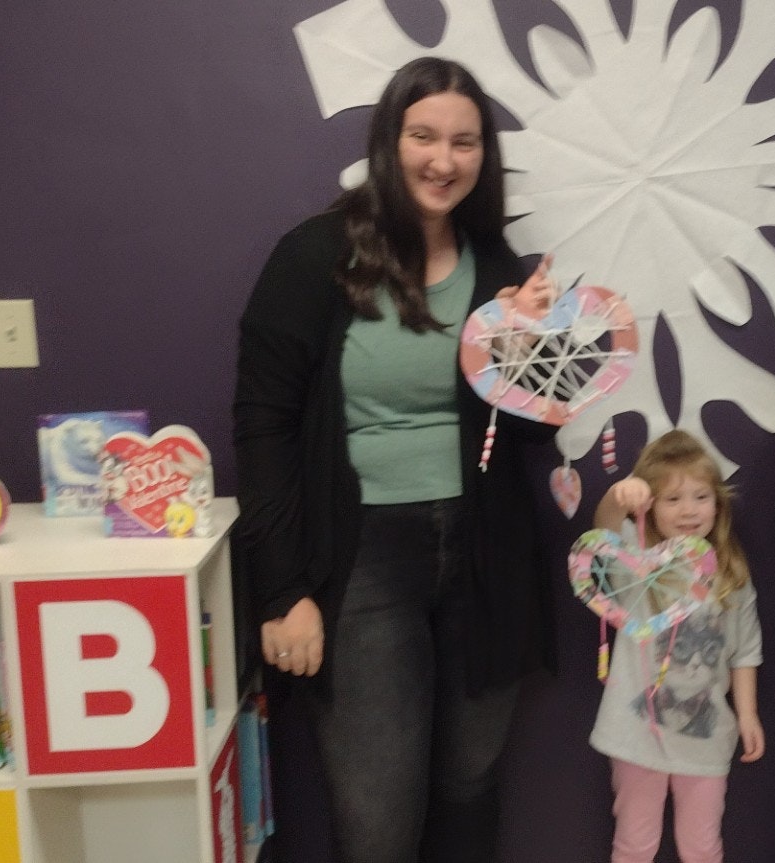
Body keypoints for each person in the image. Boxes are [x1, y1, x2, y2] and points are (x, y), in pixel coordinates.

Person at [231, 56, 557, 863]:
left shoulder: (498, 269)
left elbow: (526, 435)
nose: (443, 160)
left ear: (484, 156)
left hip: (485, 554)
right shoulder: (315, 257)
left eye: (464, 141)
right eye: (423, 136)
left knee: (470, 789)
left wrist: (528, 355)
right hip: (362, 558)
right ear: (389, 140)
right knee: (377, 820)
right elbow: (261, 425)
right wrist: (283, 592)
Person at [590, 430, 766, 863]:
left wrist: (747, 713)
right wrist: (618, 498)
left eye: (700, 496)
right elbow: (602, 532)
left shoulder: (731, 575)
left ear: (717, 503)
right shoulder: (635, 564)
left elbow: (745, 652)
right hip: (635, 735)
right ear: (650, 507)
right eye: (673, 499)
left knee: (702, 848)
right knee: (634, 843)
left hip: (705, 738)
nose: (689, 510)